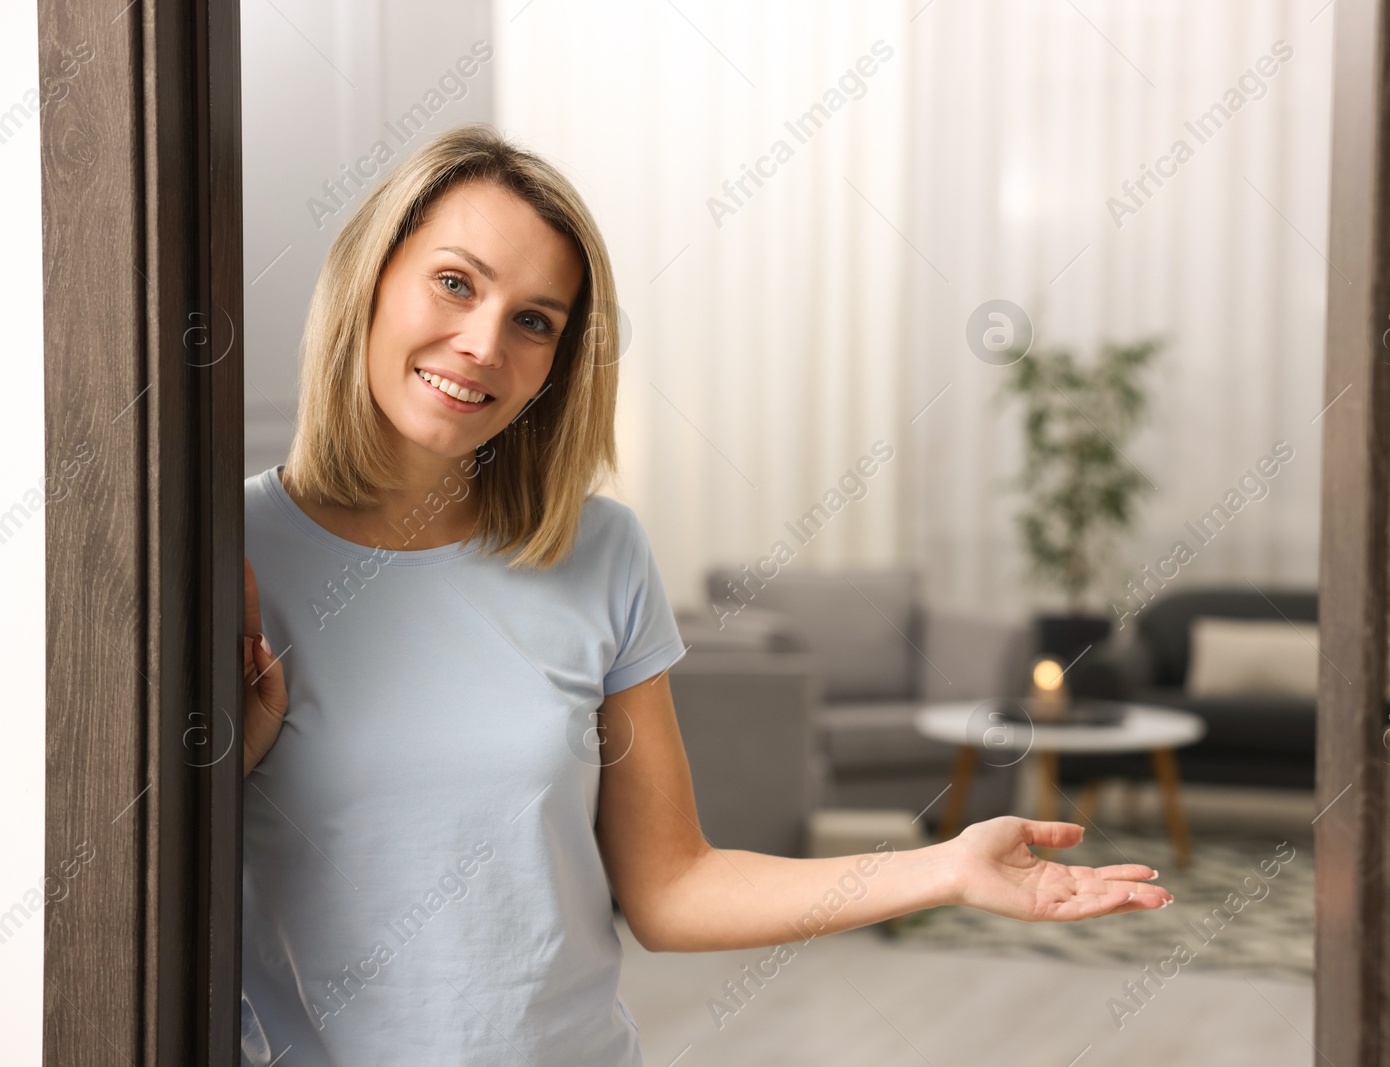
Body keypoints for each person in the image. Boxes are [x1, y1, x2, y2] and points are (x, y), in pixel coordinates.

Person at [238, 121, 1172, 1066]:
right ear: (370, 277)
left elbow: (672, 885)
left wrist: (944, 868)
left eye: (535, 320)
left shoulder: (597, 552)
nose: (483, 342)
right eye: (454, 281)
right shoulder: (227, 553)